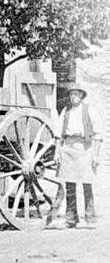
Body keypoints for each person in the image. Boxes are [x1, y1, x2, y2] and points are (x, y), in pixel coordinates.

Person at [49, 84, 100, 229]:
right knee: (70, 185)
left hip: (84, 148)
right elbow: (58, 134)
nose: (73, 97)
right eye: (71, 94)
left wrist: (96, 155)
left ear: (81, 96)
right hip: (68, 148)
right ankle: (71, 219)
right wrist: (57, 152)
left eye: (76, 94)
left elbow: (97, 134)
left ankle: (90, 218)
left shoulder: (89, 110)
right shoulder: (66, 111)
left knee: (87, 183)